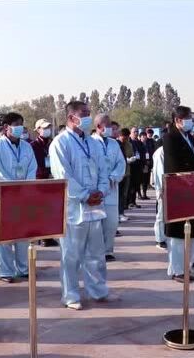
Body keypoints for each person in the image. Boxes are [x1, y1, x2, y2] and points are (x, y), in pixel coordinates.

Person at [49, 101, 109, 310]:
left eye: (88, 113)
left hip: (95, 206)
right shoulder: (60, 143)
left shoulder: (93, 142)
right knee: (71, 255)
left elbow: (103, 168)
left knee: (96, 254)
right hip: (73, 208)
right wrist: (84, 195)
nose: (87, 117)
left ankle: (98, 289)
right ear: (71, 117)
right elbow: (63, 175)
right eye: (83, 113)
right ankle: (71, 294)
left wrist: (101, 190)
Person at [0, 113, 37, 282]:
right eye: (16, 124)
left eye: (21, 124)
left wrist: (25, 188)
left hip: (24, 197)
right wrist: (12, 189)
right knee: (3, 236)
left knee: (23, 234)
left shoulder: (27, 147)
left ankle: (23, 268)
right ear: (6, 127)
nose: (19, 128)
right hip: (5, 197)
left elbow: (32, 169)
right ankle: (5, 271)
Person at [162, 106, 194, 282]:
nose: (190, 122)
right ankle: (178, 270)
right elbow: (174, 165)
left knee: (193, 231)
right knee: (179, 234)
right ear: (178, 120)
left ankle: (187, 267)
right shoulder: (170, 138)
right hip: (179, 190)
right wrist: (189, 180)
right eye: (187, 118)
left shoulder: (190, 138)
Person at [92, 114, 126, 262]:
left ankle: (108, 250)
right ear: (99, 126)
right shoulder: (90, 142)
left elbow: (121, 162)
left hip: (112, 187)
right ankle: (97, 251)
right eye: (107, 125)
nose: (111, 127)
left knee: (112, 222)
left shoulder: (114, 143)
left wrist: (114, 176)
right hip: (96, 188)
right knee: (96, 223)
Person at [29, 119, 59, 247]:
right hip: (39, 179)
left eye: (49, 127)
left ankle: (48, 236)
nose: (47, 130)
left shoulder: (53, 144)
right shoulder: (33, 146)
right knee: (39, 210)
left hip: (52, 179)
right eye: (44, 128)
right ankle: (40, 236)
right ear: (38, 130)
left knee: (51, 210)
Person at [117, 126, 135, 222]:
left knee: (124, 194)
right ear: (120, 136)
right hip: (118, 174)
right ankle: (118, 213)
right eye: (124, 137)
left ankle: (121, 212)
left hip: (127, 172)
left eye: (127, 137)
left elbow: (131, 154)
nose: (125, 139)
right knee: (118, 195)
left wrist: (131, 159)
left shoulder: (129, 144)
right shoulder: (116, 144)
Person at [152, 145, 167, 249]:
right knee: (161, 214)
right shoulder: (160, 152)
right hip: (163, 187)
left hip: (176, 186)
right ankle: (160, 239)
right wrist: (161, 188)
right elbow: (159, 171)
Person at [128, 127, 144, 206]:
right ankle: (129, 201)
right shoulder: (128, 142)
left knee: (136, 184)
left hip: (138, 166)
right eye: (134, 131)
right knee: (130, 185)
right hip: (131, 165)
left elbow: (143, 153)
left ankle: (133, 201)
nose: (136, 133)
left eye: (137, 131)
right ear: (131, 133)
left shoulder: (139, 143)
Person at [140, 130, 155, 199]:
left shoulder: (149, 144)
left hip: (148, 164)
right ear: (140, 137)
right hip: (142, 164)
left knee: (146, 179)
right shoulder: (139, 144)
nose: (144, 137)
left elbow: (151, 152)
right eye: (142, 136)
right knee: (142, 179)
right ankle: (141, 194)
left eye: (145, 136)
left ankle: (145, 194)